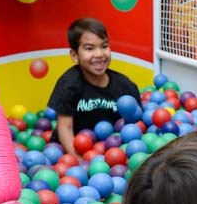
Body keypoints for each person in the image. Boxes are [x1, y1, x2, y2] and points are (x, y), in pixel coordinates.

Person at [47, 17, 141, 155]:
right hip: (70, 150)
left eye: (104, 46)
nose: (99, 54)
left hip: (112, 150)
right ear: (74, 55)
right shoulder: (69, 84)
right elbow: (65, 128)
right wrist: (77, 160)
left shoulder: (125, 86)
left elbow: (136, 124)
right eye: (89, 48)